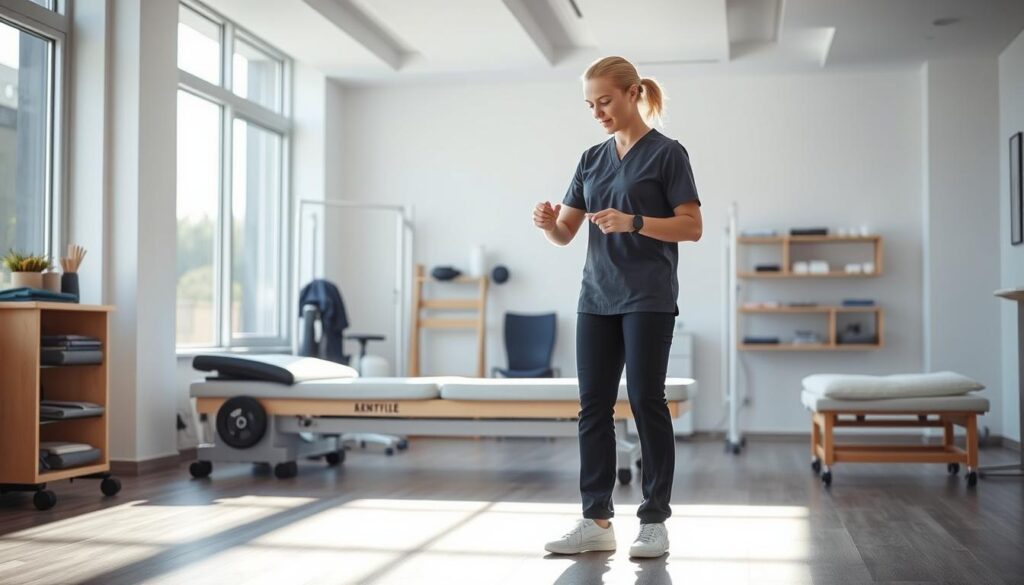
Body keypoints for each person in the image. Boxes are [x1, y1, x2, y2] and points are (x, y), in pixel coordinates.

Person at [535, 56, 702, 559]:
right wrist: (546, 222)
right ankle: (596, 519)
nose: (597, 112)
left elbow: (690, 226)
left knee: (647, 401)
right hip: (597, 298)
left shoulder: (668, 154)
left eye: (604, 101)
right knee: (593, 408)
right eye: (590, 104)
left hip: (648, 298)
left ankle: (653, 521)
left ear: (632, 93)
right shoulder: (590, 158)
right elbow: (565, 233)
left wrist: (635, 222)